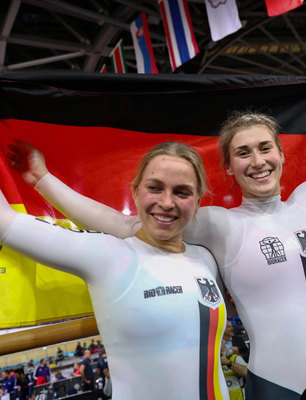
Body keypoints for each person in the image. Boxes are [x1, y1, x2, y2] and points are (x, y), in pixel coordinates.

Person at [7, 71, 306, 399]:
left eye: (265, 148)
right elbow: (119, 224)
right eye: (243, 153)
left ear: (281, 154)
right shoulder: (216, 223)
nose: (257, 161)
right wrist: (42, 179)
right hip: (277, 386)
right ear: (228, 166)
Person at [0, 142, 229, 399]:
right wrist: (42, 179)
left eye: (182, 192)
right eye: (154, 188)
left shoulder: (205, 259)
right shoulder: (106, 256)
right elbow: (4, 221)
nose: (167, 202)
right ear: (135, 192)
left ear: (197, 201)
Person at [221, 320, 248, 400]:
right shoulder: (216, 343)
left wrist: (238, 352)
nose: (232, 328)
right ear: (223, 329)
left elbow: (248, 355)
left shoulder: (238, 340)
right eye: (229, 327)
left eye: (231, 326)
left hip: (239, 382)